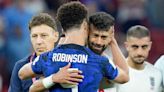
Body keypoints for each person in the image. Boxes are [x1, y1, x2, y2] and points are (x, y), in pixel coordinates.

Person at [19, 1, 129, 92]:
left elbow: (22, 73)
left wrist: (53, 78)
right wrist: (112, 41)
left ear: (62, 28)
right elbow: (125, 77)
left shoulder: (48, 57)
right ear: (85, 25)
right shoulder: (100, 60)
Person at [8, 13, 83, 92]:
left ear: (56, 36)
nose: (38, 41)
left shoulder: (70, 63)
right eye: (34, 36)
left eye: (44, 35)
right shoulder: (21, 66)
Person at [115, 25, 163, 92]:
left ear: (150, 46)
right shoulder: (115, 73)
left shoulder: (157, 74)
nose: (139, 52)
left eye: (144, 47)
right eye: (135, 47)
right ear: (126, 46)